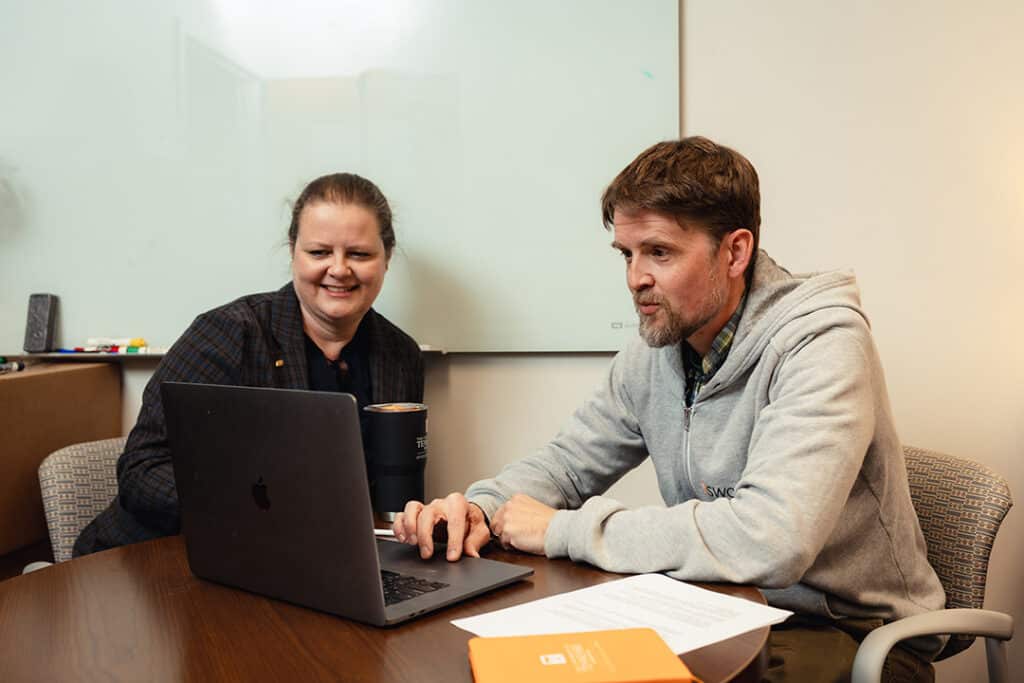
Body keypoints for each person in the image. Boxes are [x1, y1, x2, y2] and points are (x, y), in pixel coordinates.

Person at [394, 138, 945, 682]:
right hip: (722, 607)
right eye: (627, 255)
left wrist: (563, 530)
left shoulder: (822, 343)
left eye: (659, 252)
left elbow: (771, 540)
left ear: (735, 252)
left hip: (848, 627)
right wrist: (480, 509)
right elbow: (567, 463)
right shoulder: (659, 345)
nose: (636, 278)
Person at [75, 173, 423, 556]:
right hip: (160, 558)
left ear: (386, 257)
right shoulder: (228, 334)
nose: (339, 269)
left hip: (309, 562)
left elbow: (389, 486)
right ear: (293, 252)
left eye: (359, 254)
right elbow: (142, 472)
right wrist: (256, 512)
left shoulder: (400, 354)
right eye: (319, 252)